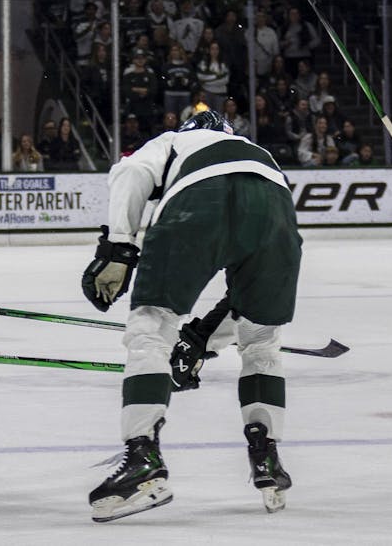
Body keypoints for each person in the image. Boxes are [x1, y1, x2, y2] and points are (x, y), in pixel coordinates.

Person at [81, 111, 301, 522]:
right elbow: (241, 302)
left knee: (151, 327)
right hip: (276, 205)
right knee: (261, 337)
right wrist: (201, 338)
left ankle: (142, 460)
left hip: (199, 199)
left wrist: (117, 248)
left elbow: (131, 171)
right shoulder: (255, 151)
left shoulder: (174, 140)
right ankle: (267, 458)